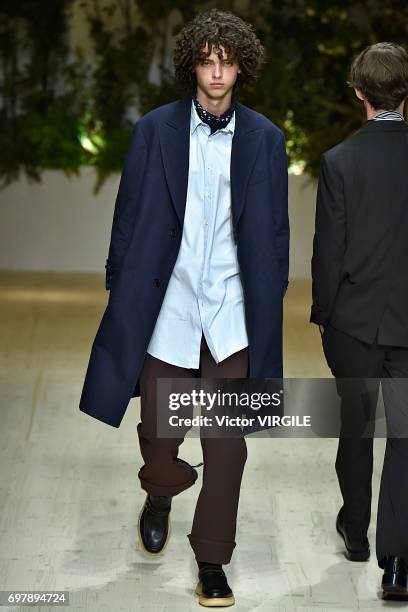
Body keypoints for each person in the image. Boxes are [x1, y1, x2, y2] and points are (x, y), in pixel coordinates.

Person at [79, 8, 289, 607]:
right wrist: (121, 286)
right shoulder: (155, 130)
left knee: (227, 442)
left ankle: (212, 559)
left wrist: (267, 295)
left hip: (230, 311)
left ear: (242, 65)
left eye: (228, 61)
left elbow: (275, 231)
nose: (218, 72)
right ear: (192, 64)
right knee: (159, 431)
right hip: (166, 307)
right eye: (208, 60)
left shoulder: (267, 139)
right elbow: (128, 214)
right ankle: (162, 490)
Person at [311, 42, 408, 599]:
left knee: (355, 426)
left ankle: (355, 531)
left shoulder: (339, 161)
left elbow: (330, 251)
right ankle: (397, 563)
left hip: (353, 323)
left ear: (358, 92)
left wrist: (325, 316)